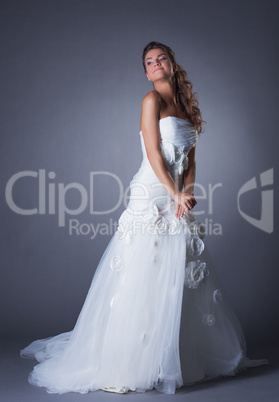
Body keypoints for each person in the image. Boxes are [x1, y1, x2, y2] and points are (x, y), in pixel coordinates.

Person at [20, 41, 268, 395]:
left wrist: (188, 193)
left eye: (160, 58)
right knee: (143, 267)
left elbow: (191, 161)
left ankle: (177, 356)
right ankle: (128, 363)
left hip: (177, 194)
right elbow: (153, 152)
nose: (155, 65)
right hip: (152, 191)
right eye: (148, 62)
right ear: (146, 71)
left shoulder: (186, 107)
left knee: (180, 268)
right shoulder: (150, 101)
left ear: (171, 63)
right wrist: (173, 192)